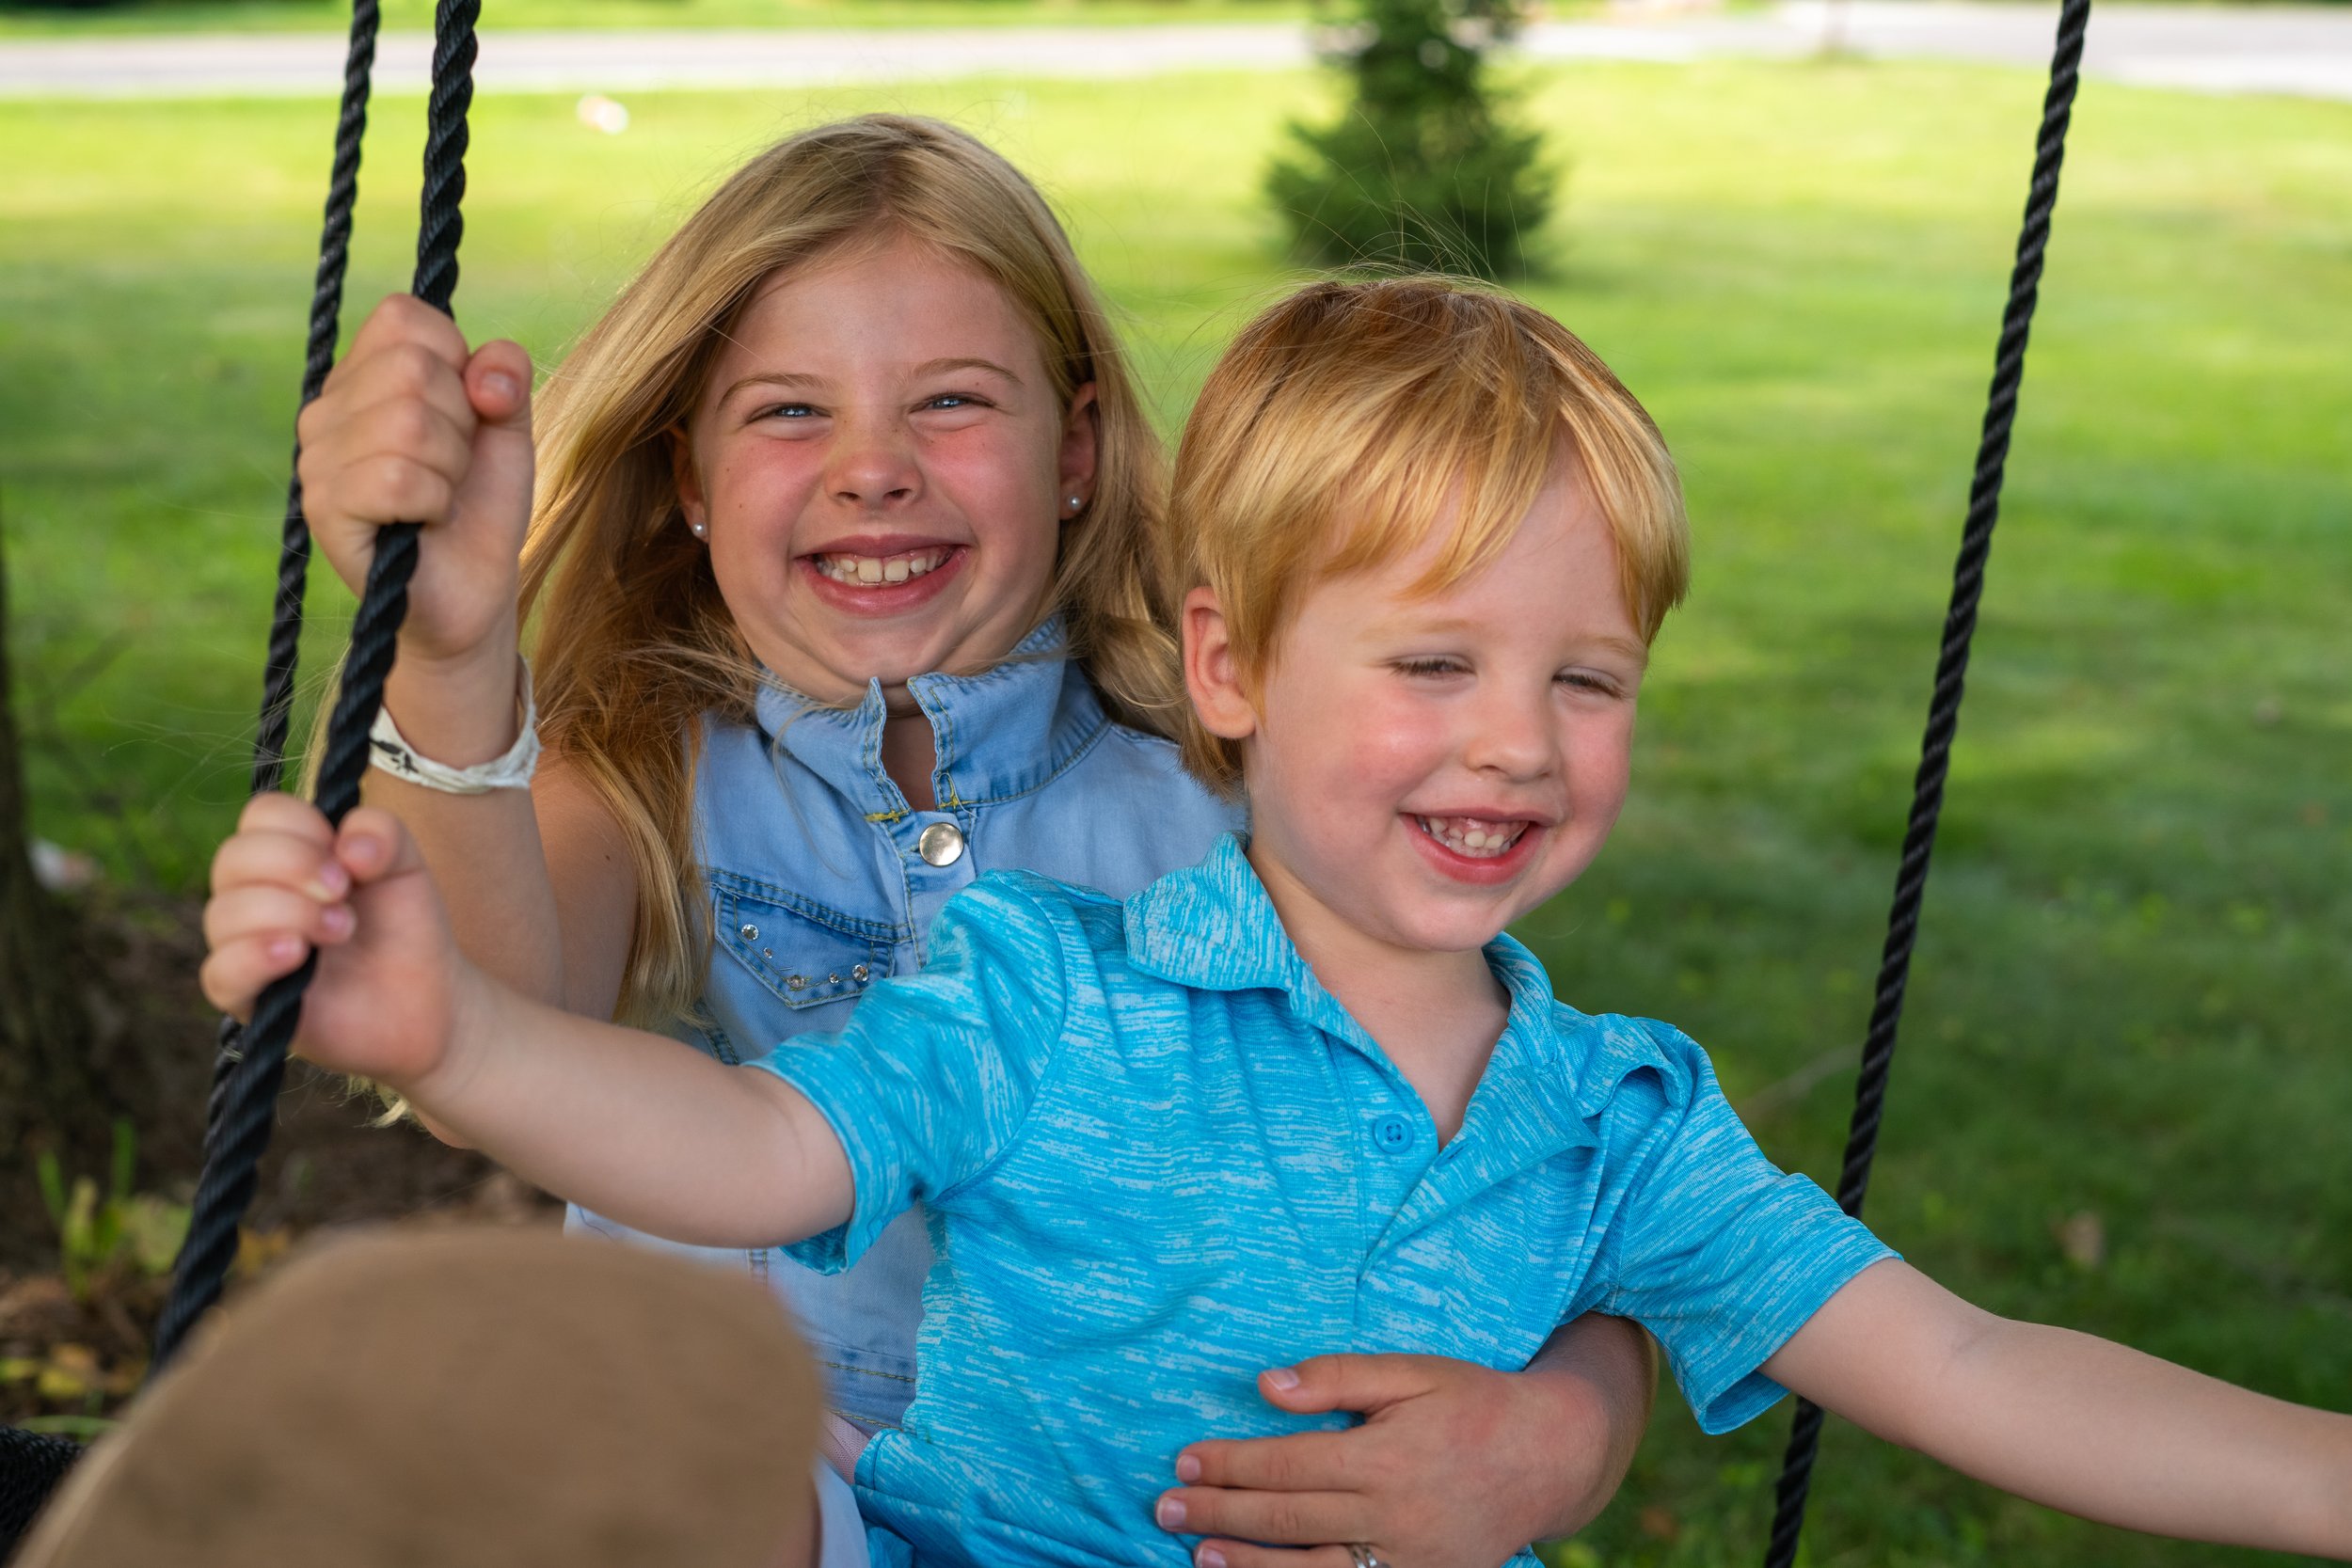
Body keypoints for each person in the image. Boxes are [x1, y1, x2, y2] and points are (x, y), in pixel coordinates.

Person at [210, 277, 2352, 1567]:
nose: (1508, 744)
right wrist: (454, 1037)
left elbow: (1971, 1366)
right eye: (1430, 668)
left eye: (1580, 680)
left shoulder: (1615, 1123)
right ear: (1227, 671)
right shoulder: (1050, 992)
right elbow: (753, 1155)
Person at [291, 114, 1651, 1562]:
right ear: (688, 478)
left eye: (949, 402)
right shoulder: (638, 778)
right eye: (789, 413)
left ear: (1073, 450)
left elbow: (1554, 1182)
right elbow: (482, 1035)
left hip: (1129, 1508)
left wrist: (1561, 1436)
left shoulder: (1235, 806)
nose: (872, 468)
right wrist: (447, 652)